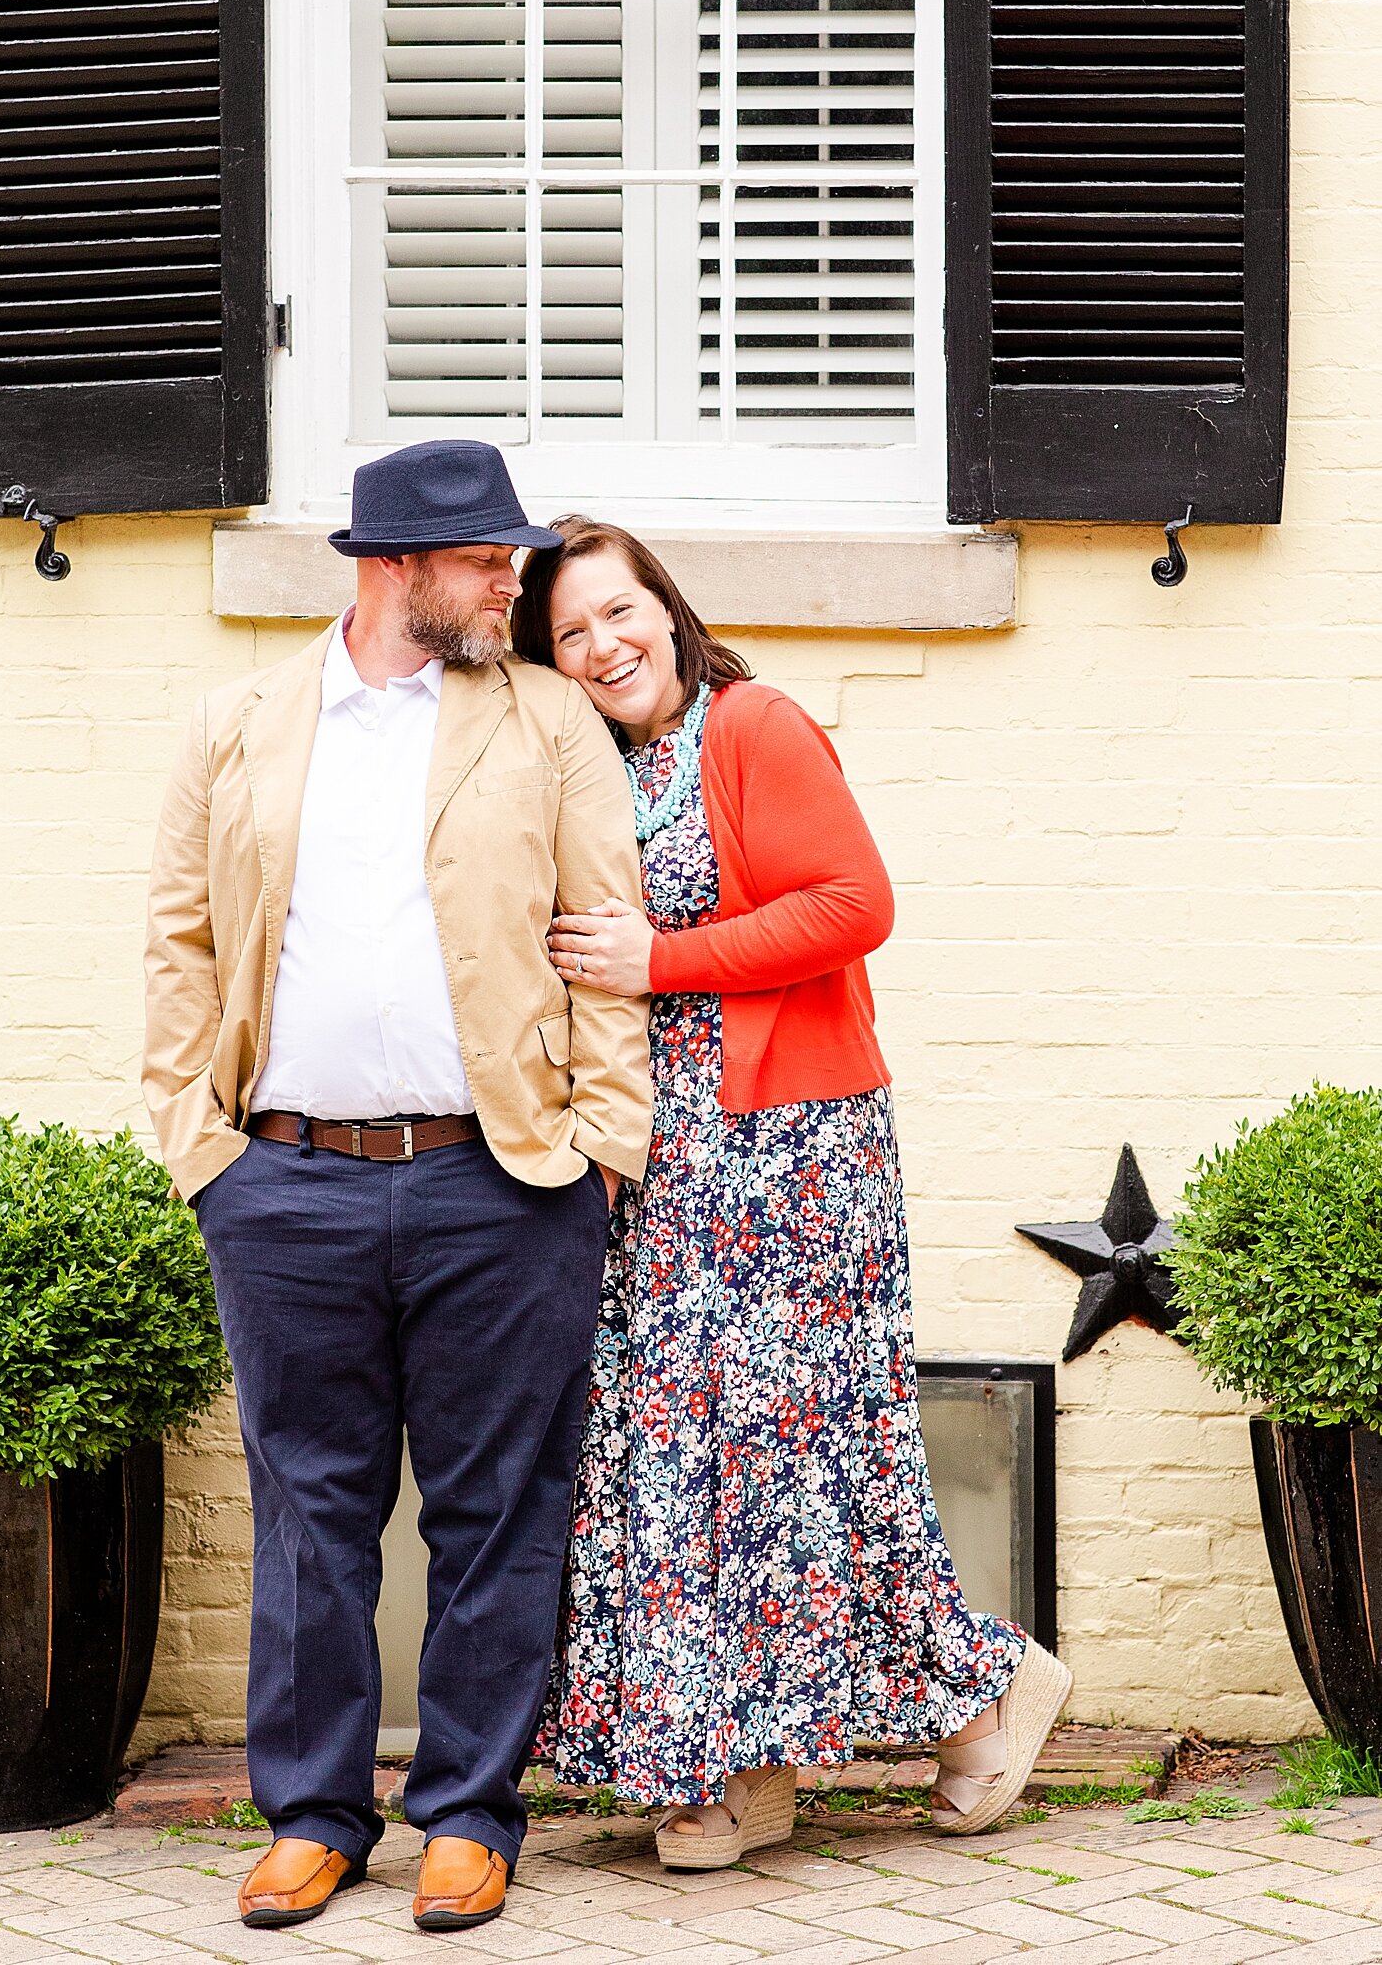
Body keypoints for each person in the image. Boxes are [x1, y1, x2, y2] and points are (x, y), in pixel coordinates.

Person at [142, 448, 651, 1935]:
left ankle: (470, 1811)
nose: (516, 581)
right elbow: (180, 939)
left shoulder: (547, 719)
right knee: (311, 1511)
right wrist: (200, 1143)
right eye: (489, 560)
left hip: (502, 1181)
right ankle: (312, 1812)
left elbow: (601, 928)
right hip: (283, 1181)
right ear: (395, 570)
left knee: (500, 1509)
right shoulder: (235, 722)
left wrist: (601, 1146)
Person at [513, 518, 1072, 1868]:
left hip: (794, 1151)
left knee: (814, 1455)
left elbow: (852, 902)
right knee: (689, 1462)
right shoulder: (607, 765)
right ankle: (735, 1759)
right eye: (570, 631)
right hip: (665, 1163)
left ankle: (984, 1688)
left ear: (666, 605)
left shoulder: (750, 723)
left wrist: (663, 954)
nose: (602, 644)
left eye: (619, 610)